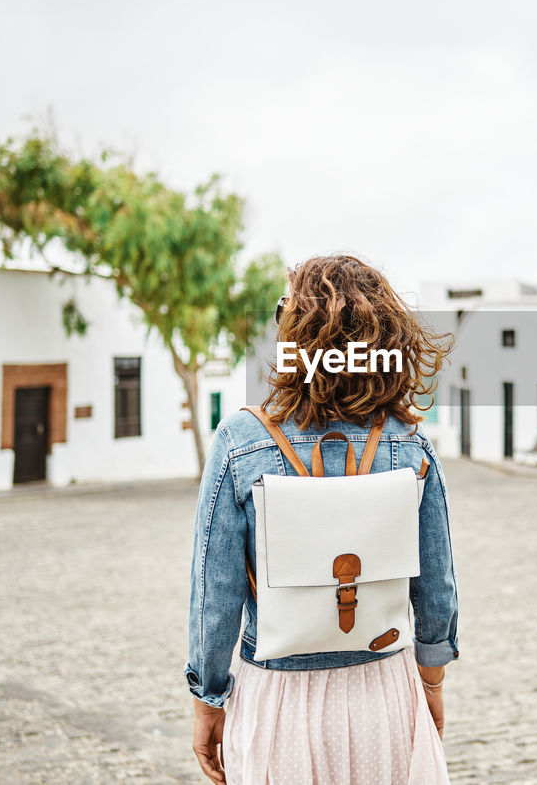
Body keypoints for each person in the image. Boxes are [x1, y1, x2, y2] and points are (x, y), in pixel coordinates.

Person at [185, 254, 459, 784]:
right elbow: (437, 585)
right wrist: (431, 683)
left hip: (277, 698)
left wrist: (208, 700)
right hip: (383, 688)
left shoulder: (241, 442)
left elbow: (214, 594)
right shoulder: (409, 444)